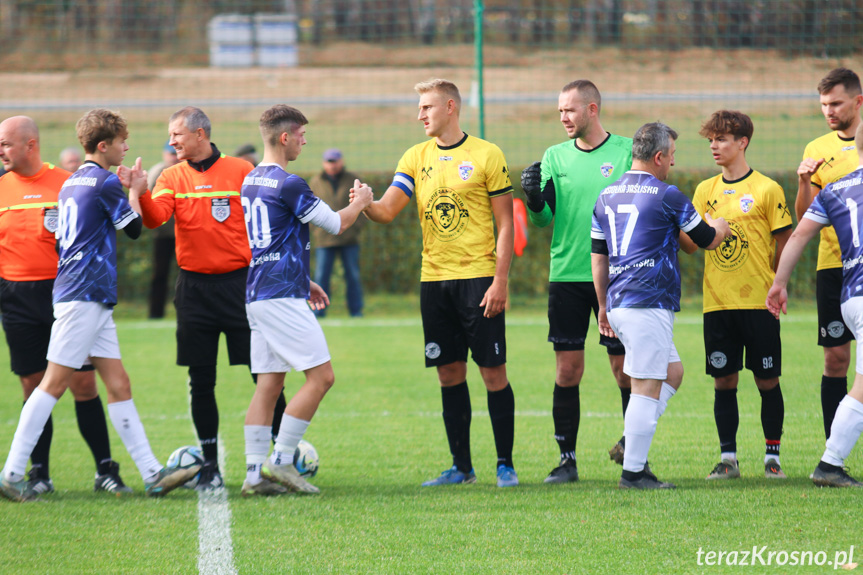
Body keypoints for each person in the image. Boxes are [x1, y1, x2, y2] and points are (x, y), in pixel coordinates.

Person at [0, 108, 199, 501]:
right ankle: (11, 472)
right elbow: (136, 229)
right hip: (84, 295)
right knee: (53, 384)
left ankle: (152, 473)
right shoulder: (105, 182)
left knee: (118, 382)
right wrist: (137, 189)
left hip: (87, 294)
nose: (127, 148)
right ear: (104, 145)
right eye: (123, 142)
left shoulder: (73, 181)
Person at [364, 79, 518, 488]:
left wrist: (500, 280)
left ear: (450, 107)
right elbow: (386, 211)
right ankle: (462, 468)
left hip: (479, 280)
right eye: (419, 107)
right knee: (448, 373)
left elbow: (506, 224)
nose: (420, 115)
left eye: (427, 107)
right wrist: (364, 204)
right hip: (434, 281)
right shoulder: (415, 157)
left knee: (492, 374)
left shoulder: (487, 154)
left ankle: (505, 464)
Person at [131, 106, 287, 491]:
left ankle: (282, 457)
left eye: (177, 135)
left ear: (200, 134)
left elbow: (266, 221)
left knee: (264, 375)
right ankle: (210, 464)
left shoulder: (240, 171)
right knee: (201, 380)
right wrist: (138, 192)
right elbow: (154, 219)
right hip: (194, 291)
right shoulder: (171, 176)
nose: (171, 142)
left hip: (241, 286)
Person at [241, 105, 373, 496]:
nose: (304, 141)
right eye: (300, 135)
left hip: (259, 292)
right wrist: (362, 200)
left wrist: (305, 279)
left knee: (269, 384)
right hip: (280, 297)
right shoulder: (289, 183)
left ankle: (252, 476)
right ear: (284, 138)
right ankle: (281, 462)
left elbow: (272, 241)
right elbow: (336, 222)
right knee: (322, 377)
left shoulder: (251, 180)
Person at [591, 122, 730, 489]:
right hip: (647, 302)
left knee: (672, 373)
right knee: (646, 385)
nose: (672, 163)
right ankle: (633, 472)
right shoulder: (667, 194)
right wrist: (723, 224)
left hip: (621, 302)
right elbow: (707, 240)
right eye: (671, 156)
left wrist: (602, 304)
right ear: (657, 156)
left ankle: (630, 442)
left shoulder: (606, 195)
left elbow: (599, 256)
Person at [0, 116, 131, 495]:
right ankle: (38, 473)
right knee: (32, 384)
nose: (1, 151)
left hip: (66, 293)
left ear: (31, 144)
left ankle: (105, 469)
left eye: (6, 143)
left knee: (83, 383)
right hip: (16, 297)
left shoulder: (67, 182)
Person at [520, 79, 633, 483]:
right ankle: (566, 461)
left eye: (569, 110)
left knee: (623, 370)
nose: (563, 118)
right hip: (567, 274)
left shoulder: (624, 152)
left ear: (592, 109)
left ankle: (633, 453)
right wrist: (535, 200)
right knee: (567, 371)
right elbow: (543, 219)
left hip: (618, 275)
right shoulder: (554, 156)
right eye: (559, 112)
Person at [680, 111, 793, 480]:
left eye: (722, 139)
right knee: (724, 380)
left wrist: (778, 281)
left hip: (759, 302)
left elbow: (784, 242)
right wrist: (695, 227)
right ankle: (728, 459)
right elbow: (690, 246)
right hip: (718, 303)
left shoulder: (767, 189)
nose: (714, 146)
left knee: (767, 381)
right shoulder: (705, 192)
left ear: (742, 142)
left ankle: (771, 458)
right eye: (711, 140)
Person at [767, 121, 863, 487]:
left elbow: (799, 234)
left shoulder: (836, 189)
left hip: (850, 294)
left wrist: (779, 283)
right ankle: (830, 464)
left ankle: (831, 462)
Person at [796, 68, 863, 440]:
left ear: (858, 101)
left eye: (836, 103)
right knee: (836, 359)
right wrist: (805, 182)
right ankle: (832, 448)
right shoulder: (817, 149)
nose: (828, 111)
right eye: (823, 105)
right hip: (834, 266)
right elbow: (806, 218)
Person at [309, 148, 365, 318]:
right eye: (329, 162)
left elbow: (363, 206)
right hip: (324, 240)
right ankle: (319, 311)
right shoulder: (315, 182)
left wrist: (354, 228)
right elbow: (308, 208)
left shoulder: (353, 180)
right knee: (321, 276)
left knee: (353, 276)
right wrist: (317, 231)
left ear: (341, 162)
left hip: (349, 238)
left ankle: (356, 311)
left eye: (335, 162)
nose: (332, 166)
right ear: (324, 163)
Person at [146, 141, 179, 319]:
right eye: (170, 154)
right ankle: (155, 313)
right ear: (164, 154)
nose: (173, 158)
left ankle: (184, 310)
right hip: (163, 234)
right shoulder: (157, 172)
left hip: (184, 234)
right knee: (159, 274)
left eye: (175, 154)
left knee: (186, 275)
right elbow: (149, 200)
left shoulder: (186, 171)